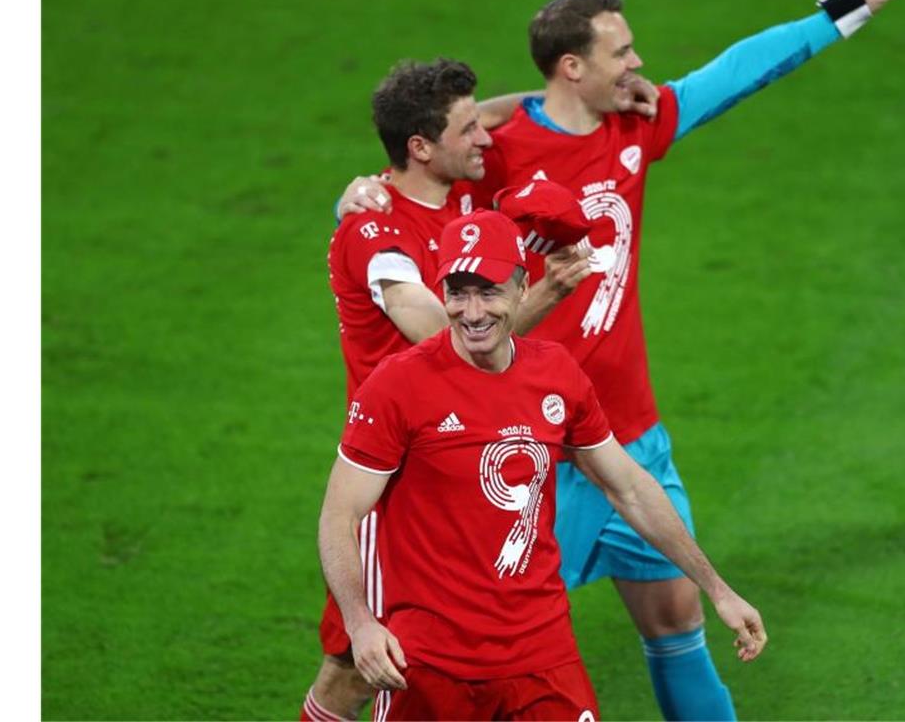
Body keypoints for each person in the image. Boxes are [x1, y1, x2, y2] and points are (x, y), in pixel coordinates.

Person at [337, 0, 900, 718]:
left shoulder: (639, 124)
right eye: (621, 54)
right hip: (528, 451)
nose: (639, 66)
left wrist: (846, 7)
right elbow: (424, 172)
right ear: (572, 67)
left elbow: (734, 72)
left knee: (678, 622)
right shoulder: (493, 155)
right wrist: (365, 189)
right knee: (454, 649)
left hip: (630, 438)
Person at [318, 209, 767, 721]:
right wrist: (359, 623)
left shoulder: (555, 373)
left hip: (542, 658)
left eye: (488, 291)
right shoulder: (398, 385)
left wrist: (717, 589)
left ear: (522, 285)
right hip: (432, 665)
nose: (471, 311)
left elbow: (629, 488)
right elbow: (339, 515)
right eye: (457, 292)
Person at [306, 57, 595, 722]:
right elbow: (443, 336)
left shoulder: (459, 196)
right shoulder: (377, 233)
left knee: (366, 668)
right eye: (467, 130)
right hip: (398, 474)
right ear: (420, 148)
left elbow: (512, 111)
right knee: (364, 666)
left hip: (460, 449)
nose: (486, 139)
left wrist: (589, 94)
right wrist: (548, 289)